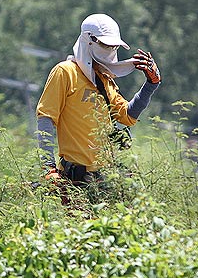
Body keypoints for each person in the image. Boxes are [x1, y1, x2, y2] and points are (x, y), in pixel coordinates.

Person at [35, 13, 161, 194]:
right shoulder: (65, 72)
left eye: (113, 46)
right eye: (105, 45)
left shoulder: (105, 80)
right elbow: (46, 118)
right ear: (89, 41)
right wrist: (48, 167)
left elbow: (127, 116)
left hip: (106, 178)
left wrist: (151, 85)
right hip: (75, 179)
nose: (110, 50)